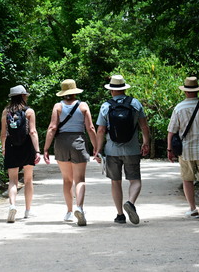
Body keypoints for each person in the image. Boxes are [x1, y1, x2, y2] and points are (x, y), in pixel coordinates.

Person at [95, 75, 150, 225]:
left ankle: (120, 215)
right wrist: (146, 143)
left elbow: (100, 130)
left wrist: (98, 150)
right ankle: (130, 203)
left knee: (115, 182)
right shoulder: (135, 104)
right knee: (135, 181)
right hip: (132, 149)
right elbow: (144, 126)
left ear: (111, 90)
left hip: (112, 151)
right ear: (124, 89)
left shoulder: (106, 106)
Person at [43, 79, 97, 226]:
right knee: (79, 179)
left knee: (67, 180)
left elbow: (52, 128)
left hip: (61, 142)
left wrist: (46, 148)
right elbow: (91, 128)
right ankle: (79, 208)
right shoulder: (83, 105)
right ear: (74, 91)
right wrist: (96, 147)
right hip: (78, 141)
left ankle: (69, 211)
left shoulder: (58, 106)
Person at [167, 76, 199, 222]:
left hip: (186, 151)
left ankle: (193, 209)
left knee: (187, 180)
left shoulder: (179, 108)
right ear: (197, 90)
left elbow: (171, 131)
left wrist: (169, 149)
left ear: (185, 91)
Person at [0, 85, 41, 223]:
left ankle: (12, 205)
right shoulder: (29, 111)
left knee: (13, 180)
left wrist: (3, 148)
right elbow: (33, 132)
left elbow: (3, 133)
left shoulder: (6, 112)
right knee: (28, 180)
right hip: (27, 146)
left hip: (11, 146)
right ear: (23, 96)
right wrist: (37, 150)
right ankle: (28, 211)